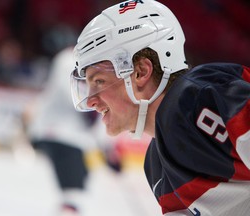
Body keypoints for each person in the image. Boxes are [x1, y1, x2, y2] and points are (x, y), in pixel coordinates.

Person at [69, 0, 250, 215]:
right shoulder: (156, 164)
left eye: (98, 81)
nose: (90, 100)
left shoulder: (201, 98)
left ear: (140, 72)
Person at [24, 47, 99, 216]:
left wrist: (107, 148)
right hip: (59, 135)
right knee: (73, 194)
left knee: (78, 186)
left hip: (70, 137)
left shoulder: (96, 64)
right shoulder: (69, 58)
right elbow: (72, 95)